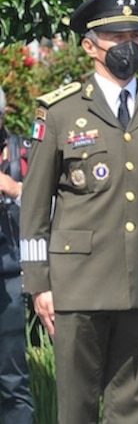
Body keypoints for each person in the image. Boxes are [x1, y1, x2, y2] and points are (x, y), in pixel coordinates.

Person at [20, 0, 138, 423]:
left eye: (135, 37)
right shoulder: (60, 113)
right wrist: (39, 285)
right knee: (77, 408)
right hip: (77, 285)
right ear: (90, 46)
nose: (128, 47)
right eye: (117, 39)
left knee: (132, 410)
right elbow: (34, 207)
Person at [0, 86, 34, 424]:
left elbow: (54, 208)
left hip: (9, 276)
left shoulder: (23, 151)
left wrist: (13, 188)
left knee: (12, 379)